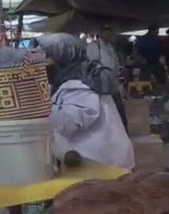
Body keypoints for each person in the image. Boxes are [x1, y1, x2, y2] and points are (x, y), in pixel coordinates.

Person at [37, 33, 135, 170]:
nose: (45, 62)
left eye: (49, 56)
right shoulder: (82, 76)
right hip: (97, 162)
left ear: (63, 57)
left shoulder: (80, 84)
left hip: (99, 164)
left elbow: (68, 124)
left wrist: (39, 102)